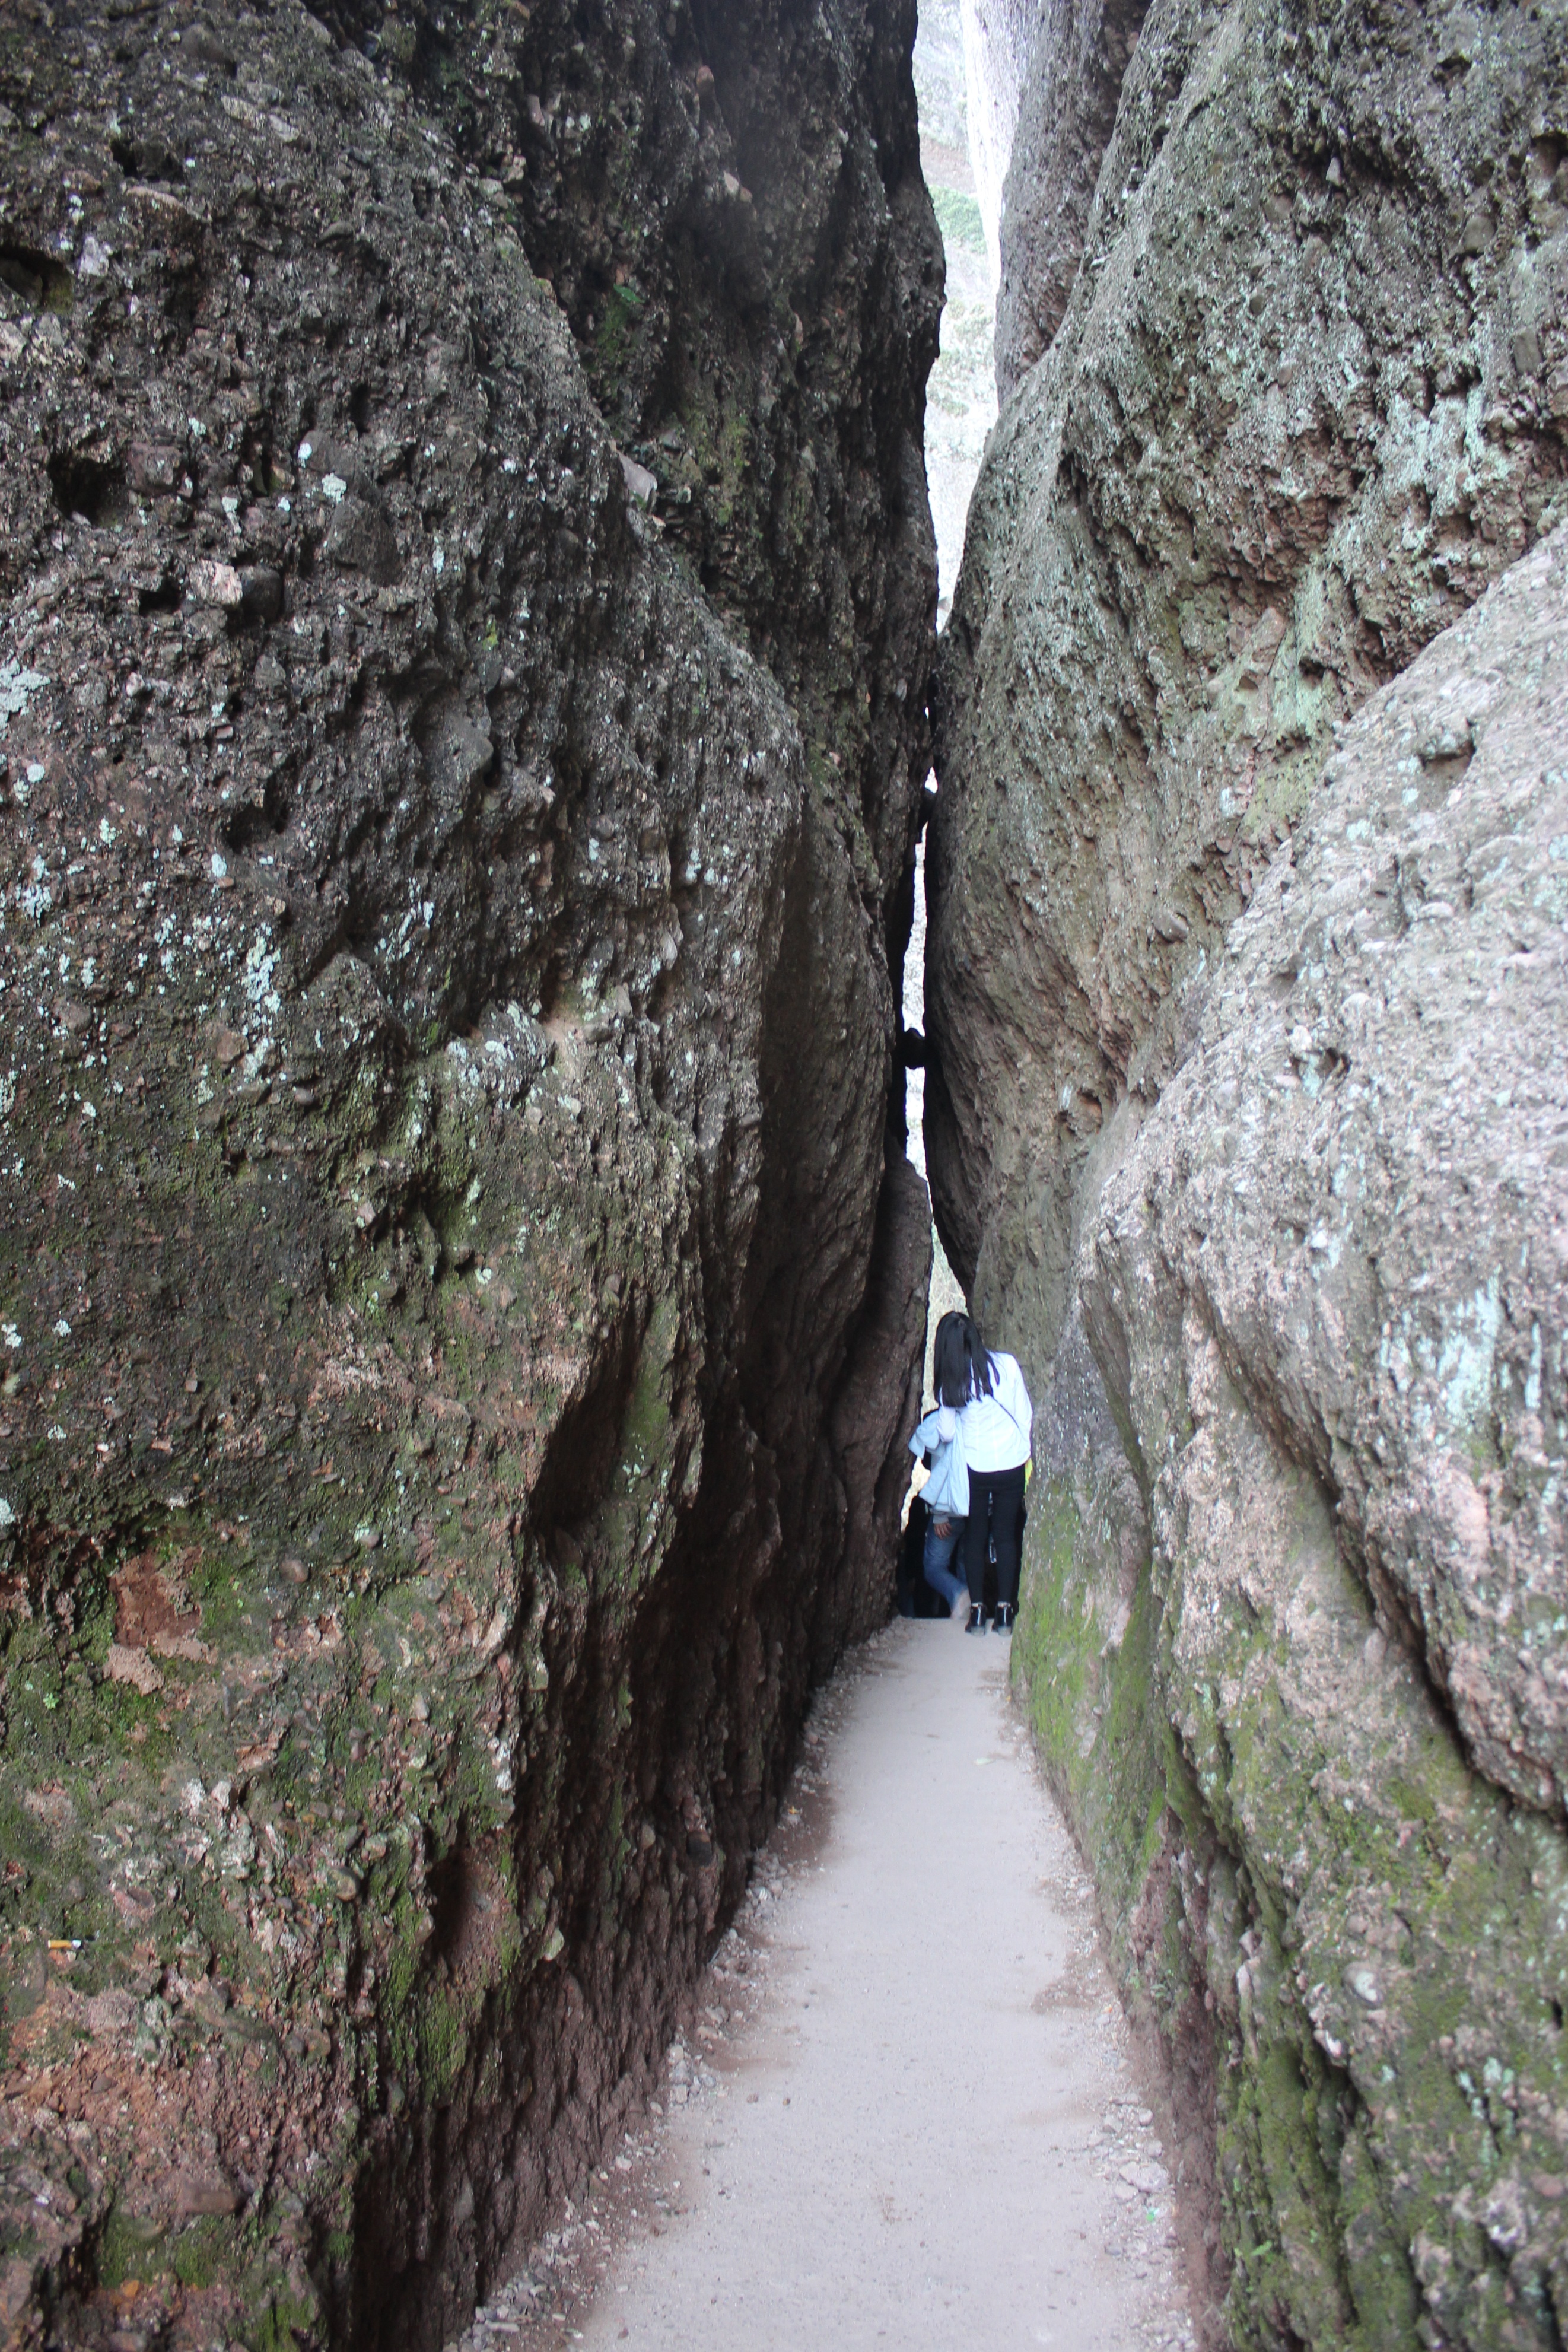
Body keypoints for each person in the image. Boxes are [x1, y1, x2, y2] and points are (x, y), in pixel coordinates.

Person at [931, 1311, 1032, 1636]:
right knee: (1005, 1536)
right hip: (1012, 1465)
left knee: (976, 1537)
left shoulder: (951, 1384)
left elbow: (946, 1434)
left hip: (976, 1470)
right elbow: (1025, 1414)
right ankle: (1005, 1612)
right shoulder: (1007, 1365)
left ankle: (977, 1614)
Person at [908, 1389, 971, 1625]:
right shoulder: (968, 1427)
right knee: (967, 1559)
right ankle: (972, 1609)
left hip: (949, 1509)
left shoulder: (939, 1431)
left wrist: (939, 1514)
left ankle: (959, 1595)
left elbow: (943, 1472)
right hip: (976, 1506)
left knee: (933, 1567)